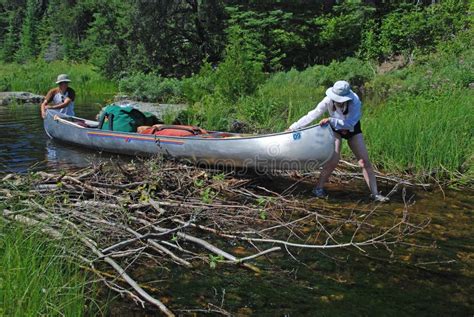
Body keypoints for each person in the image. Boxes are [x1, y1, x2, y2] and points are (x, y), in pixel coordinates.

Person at [288, 80, 389, 202]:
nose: (340, 102)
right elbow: (313, 114)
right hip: (335, 129)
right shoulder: (327, 100)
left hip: (352, 129)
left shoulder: (355, 101)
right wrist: (293, 127)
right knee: (334, 159)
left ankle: (375, 194)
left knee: (364, 161)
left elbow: (350, 123)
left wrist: (331, 120)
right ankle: (318, 189)